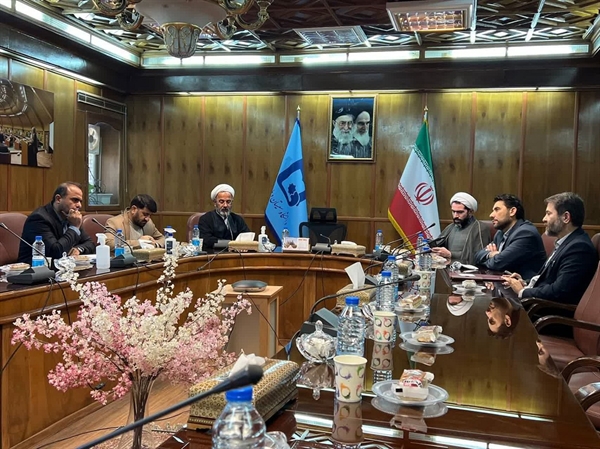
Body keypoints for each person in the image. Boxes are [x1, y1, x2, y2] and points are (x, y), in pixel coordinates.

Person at [502, 192, 598, 305]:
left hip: (550, 311)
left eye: (548, 214)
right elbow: (550, 280)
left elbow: (559, 291)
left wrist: (523, 292)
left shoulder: (579, 248)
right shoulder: (566, 242)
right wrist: (526, 283)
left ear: (566, 217)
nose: (544, 219)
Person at [18, 181, 95, 264]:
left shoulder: (71, 217)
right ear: (58, 199)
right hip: (35, 269)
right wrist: (74, 227)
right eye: (75, 200)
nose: (79, 205)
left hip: (64, 267)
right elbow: (55, 252)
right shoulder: (39, 218)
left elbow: (90, 244)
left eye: (80, 201)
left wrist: (78, 249)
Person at [473, 194, 546, 280]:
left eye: (497, 209)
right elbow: (477, 256)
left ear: (512, 211)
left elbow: (497, 264)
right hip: (504, 281)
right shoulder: (500, 233)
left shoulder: (526, 233)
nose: (491, 215)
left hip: (525, 285)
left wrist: (495, 258)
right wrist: (491, 254)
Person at [430, 192, 492, 264]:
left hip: (469, 270)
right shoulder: (451, 227)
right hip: (449, 267)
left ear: (470, 212)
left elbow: (480, 256)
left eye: (460, 212)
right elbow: (438, 244)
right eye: (453, 211)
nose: (455, 215)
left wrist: (451, 254)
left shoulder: (480, 228)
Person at [198, 184, 251, 250]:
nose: (225, 205)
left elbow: (247, 236)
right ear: (215, 203)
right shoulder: (206, 219)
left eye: (228, 202)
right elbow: (207, 240)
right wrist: (231, 244)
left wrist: (243, 246)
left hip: (235, 254)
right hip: (213, 254)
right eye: (221, 201)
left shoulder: (237, 219)